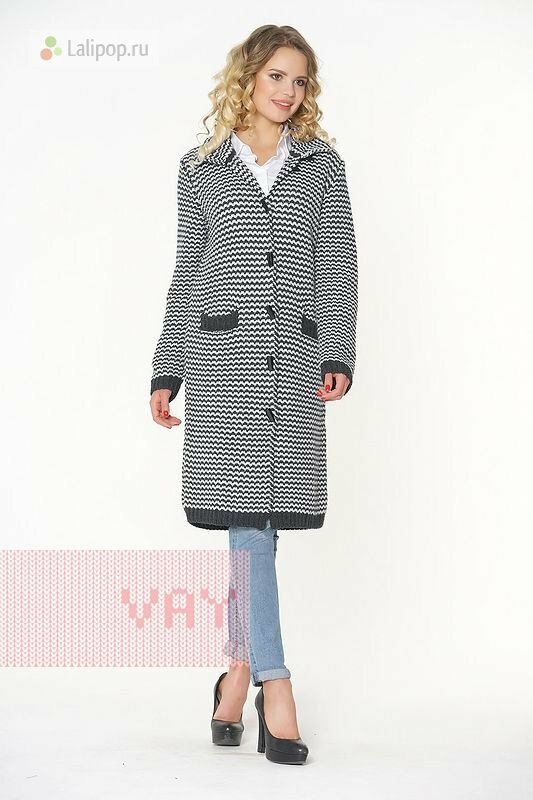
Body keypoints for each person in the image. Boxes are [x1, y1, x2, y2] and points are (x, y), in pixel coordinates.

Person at [149, 24, 358, 766]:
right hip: (224, 366)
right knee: (248, 529)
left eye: (299, 81)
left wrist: (338, 350)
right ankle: (275, 683)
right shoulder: (200, 168)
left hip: (293, 364)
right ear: (247, 76)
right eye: (276, 76)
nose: (287, 91)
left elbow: (336, 265)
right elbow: (189, 272)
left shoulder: (321, 166)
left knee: (258, 531)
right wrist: (167, 368)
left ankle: (235, 676)